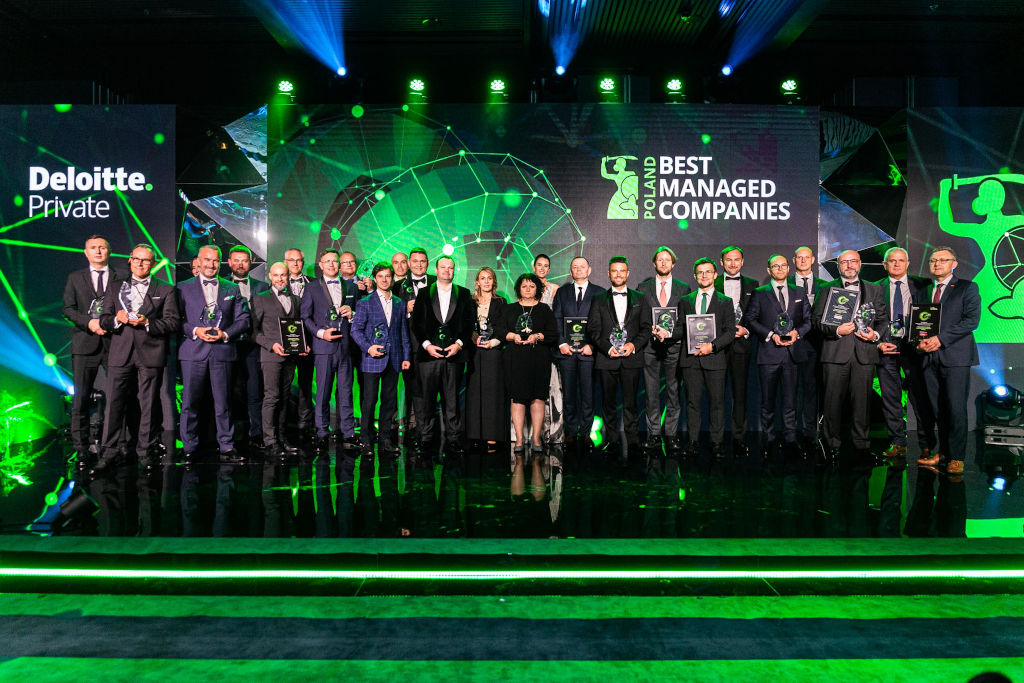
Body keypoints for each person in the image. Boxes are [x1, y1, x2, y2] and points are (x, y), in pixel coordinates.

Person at [93, 244, 179, 473]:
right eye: (137, 259)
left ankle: (146, 451)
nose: (141, 264)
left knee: (149, 404)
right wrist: (117, 319)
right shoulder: (114, 287)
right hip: (120, 352)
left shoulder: (166, 289)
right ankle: (108, 453)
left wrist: (147, 322)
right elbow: (103, 320)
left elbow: (172, 323)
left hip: (151, 353)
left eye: (146, 260)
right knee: (113, 403)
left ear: (153, 263)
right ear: (130, 260)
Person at [811, 249, 887, 464]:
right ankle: (831, 445)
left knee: (862, 404)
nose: (849, 265)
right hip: (835, 353)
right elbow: (816, 320)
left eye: (853, 261)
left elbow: (883, 319)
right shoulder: (826, 288)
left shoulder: (874, 289)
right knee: (831, 403)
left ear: (860, 264)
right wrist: (836, 330)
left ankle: (861, 446)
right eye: (844, 262)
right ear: (838, 266)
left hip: (864, 354)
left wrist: (875, 335)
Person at [177, 244, 249, 462]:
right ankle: (189, 447)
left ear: (221, 262)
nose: (211, 264)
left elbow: (243, 320)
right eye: (207, 260)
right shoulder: (182, 287)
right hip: (193, 351)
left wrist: (225, 334)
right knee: (190, 403)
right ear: (198, 262)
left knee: (223, 403)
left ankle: (226, 446)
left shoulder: (232, 288)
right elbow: (175, 320)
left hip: (223, 351)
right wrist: (195, 330)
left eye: (215, 260)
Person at [915, 246, 980, 475]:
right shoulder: (924, 291)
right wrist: (919, 342)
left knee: (955, 408)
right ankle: (942, 453)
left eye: (943, 260)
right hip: (928, 358)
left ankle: (957, 457)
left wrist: (940, 339)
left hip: (955, 357)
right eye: (933, 260)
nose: (937, 264)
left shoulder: (967, 288)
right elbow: (918, 322)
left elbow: (971, 321)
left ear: (954, 264)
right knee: (937, 408)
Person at [744, 254, 812, 456]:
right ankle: (768, 439)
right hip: (768, 354)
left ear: (788, 268)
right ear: (769, 270)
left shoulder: (799, 291)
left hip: (792, 354)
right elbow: (751, 319)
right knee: (768, 401)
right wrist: (770, 335)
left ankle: (790, 439)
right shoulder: (760, 293)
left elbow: (808, 320)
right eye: (776, 266)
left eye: (783, 265)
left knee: (791, 401)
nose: (780, 269)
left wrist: (797, 333)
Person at [62, 234, 120, 459]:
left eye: (102, 247)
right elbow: (68, 309)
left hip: (114, 342)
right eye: (93, 247)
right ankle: (81, 447)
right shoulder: (75, 278)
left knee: (119, 395)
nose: (98, 251)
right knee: (81, 398)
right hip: (84, 343)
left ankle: (117, 444)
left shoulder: (120, 276)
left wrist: (111, 323)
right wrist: (90, 323)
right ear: (86, 253)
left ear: (109, 251)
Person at [410, 255, 475, 456]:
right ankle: (425, 438)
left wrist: (459, 344)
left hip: (454, 356)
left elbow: (469, 323)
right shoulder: (423, 293)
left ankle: (454, 440)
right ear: (436, 270)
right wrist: (427, 346)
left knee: (452, 400)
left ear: (454, 271)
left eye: (451, 267)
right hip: (429, 356)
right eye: (443, 267)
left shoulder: (464, 293)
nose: (447, 270)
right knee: (427, 400)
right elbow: (417, 323)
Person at [874, 247, 934, 463]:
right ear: (885, 265)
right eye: (892, 261)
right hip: (887, 346)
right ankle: (898, 442)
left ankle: (926, 445)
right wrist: (878, 343)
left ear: (908, 263)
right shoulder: (875, 288)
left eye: (901, 260)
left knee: (920, 398)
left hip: (914, 349)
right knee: (890, 398)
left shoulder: (924, 285)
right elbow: (867, 320)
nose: (897, 264)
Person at [586, 256, 651, 453]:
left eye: (622, 270)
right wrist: (607, 348)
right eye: (614, 270)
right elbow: (593, 329)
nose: (618, 274)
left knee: (631, 403)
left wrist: (633, 345)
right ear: (609, 274)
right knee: (608, 403)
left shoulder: (640, 298)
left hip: (631, 358)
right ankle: (612, 440)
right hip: (607, 359)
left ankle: (633, 441)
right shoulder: (598, 299)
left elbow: (646, 328)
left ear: (628, 273)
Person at [300, 248, 359, 451]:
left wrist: (352, 313)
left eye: (335, 261)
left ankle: (349, 433)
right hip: (323, 347)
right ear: (321, 265)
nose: (332, 264)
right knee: (323, 392)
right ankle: (322, 433)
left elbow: (360, 316)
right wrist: (320, 333)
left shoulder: (351, 286)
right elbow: (305, 317)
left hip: (345, 347)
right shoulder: (311, 288)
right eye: (328, 261)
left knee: (346, 392)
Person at [351, 263, 412, 455]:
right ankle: (366, 439)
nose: (384, 280)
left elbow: (403, 332)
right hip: (371, 359)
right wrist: (368, 348)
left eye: (387, 276)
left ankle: (385, 439)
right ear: (375, 279)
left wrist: (406, 356)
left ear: (392, 279)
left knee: (389, 401)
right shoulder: (365, 302)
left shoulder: (399, 303)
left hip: (393, 359)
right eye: (380, 276)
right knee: (369, 400)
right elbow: (355, 330)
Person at [678, 258, 736, 457]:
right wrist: (665, 333)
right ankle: (693, 442)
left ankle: (717, 443)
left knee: (717, 403)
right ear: (695, 276)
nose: (704, 276)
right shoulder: (686, 300)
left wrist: (712, 346)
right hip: (691, 360)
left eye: (708, 272)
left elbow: (730, 332)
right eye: (700, 272)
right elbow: (680, 329)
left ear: (715, 275)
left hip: (715, 359)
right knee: (692, 403)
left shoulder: (725, 301)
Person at [251, 261, 308, 462]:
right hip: (270, 357)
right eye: (276, 275)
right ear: (270, 276)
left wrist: (303, 345)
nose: (280, 279)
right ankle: (270, 441)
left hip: (291, 357)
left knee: (284, 398)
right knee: (272, 397)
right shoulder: (260, 298)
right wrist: (271, 345)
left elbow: (297, 327)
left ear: (288, 276)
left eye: (283, 275)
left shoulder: (296, 299)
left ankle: (282, 439)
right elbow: (254, 332)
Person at [497, 273, 558, 457]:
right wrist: (512, 336)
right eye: (524, 286)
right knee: (517, 399)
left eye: (532, 286)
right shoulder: (509, 309)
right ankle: (519, 439)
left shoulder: (544, 309)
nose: (528, 289)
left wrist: (537, 336)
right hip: (515, 359)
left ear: (537, 289)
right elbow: (499, 330)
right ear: (518, 289)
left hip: (539, 358)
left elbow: (553, 333)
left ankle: (536, 439)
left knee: (537, 398)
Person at [637, 246, 691, 449]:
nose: (663, 263)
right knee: (651, 393)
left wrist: (670, 334)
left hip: (674, 346)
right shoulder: (643, 287)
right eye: (660, 259)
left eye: (667, 259)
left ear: (673, 264)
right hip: (650, 347)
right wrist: (649, 329)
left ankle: (671, 435)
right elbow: (641, 318)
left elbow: (685, 320)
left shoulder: (683, 288)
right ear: (654, 263)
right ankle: (653, 434)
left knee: (673, 392)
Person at [553, 257, 603, 446]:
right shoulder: (562, 292)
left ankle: (586, 432)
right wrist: (561, 343)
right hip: (566, 352)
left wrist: (593, 345)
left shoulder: (599, 292)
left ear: (589, 270)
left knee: (588, 395)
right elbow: (557, 318)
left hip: (588, 352)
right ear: (570, 271)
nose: (579, 269)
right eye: (575, 267)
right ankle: (571, 432)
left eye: (582, 266)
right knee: (569, 394)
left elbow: (602, 322)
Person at [714, 246, 757, 455]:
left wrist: (746, 329)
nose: (732, 263)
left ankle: (739, 437)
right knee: (717, 395)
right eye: (728, 260)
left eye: (736, 259)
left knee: (740, 394)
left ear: (742, 261)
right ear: (721, 262)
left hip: (742, 346)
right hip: (718, 347)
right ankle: (717, 439)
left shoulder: (753, 284)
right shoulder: (712, 282)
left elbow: (756, 313)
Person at [226, 245, 269, 448]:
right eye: (236, 260)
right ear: (229, 262)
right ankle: (230, 436)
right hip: (229, 345)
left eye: (244, 260)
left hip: (254, 346)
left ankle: (256, 434)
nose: (240, 264)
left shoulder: (262, 286)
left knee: (255, 391)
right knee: (228, 392)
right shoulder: (221, 285)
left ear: (250, 263)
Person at [396, 247, 436, 444]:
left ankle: (431, 431)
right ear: (409, 263)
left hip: (435, 346)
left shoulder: (438, 282)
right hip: (409, 346)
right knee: (415, 390)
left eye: (423, 261)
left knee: (433, 389)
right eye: (415, 261)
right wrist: (404, 307)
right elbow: (389, 314)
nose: (419, 264)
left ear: (427, 263)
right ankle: (420, 431)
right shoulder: (397, 286)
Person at [788, 246, 827, 445]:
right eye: (799, 257)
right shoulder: (784, 284)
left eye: (807, 257)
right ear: (794, 260)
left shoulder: (825, 285)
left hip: (816, 344)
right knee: (789, 390)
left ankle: (810, 432)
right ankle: (790, 432)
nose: (803, 260)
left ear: (812, 260)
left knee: (811, 390)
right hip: (789, 344)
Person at [464, 267, 507, 446]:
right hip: (474, 352)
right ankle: (475, 435)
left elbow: (504, 327)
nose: (486, 281)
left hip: (493, 352)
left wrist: (493, 342)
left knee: (492, 393)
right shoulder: (469, 302)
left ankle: (492, 435)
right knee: (474, 393)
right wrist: (472, 337)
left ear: (494, 281)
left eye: (490, 278)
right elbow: (465, 325)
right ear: (477, 282)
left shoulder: (501, 302)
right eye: (483, 278)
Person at [533, 253, 565, 450]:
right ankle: (533, 434)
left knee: (552, 388)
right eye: (539, 265)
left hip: (549, 344)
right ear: (534, 267)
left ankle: (552, 433)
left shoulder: (555, 289)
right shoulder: (527, 286)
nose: (542, 268)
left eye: (546, 265)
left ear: (549, 269)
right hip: (529, 345)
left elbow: (558, 317)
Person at [283, 247, 315, 439]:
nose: (295, 263)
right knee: (284, 385)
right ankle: (283, 426)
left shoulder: (314, 283)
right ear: (285, 262)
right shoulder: (277, 282)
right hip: (284, 343)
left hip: (309, 342)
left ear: (303, 262)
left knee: (305, 385)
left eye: (299, 260)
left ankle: (305, 425)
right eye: (291, 260)